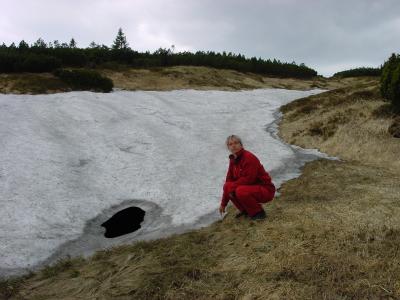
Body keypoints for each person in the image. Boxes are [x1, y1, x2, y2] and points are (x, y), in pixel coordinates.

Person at [219, 135, 275, 220]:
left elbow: (249, 179)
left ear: (241, 145)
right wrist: (223, 204)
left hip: (265, 190)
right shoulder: (233, 160)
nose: (233, 146)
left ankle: (258, 213)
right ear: (228, 147)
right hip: (250, 189)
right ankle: (245, 210)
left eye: (236, 143)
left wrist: (231, 186)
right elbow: (228, 181)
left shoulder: (249, 157)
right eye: (230, 144)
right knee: (227, 186)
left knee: (240, 190)